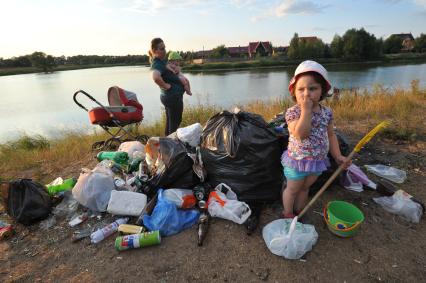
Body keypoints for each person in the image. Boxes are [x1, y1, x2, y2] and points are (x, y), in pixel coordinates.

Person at [281, 60, 351, 219]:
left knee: (305, 189)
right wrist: (306, 112)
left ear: (322, 91)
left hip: (318, 160)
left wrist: (338, 156)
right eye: (301, 89)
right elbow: (301, 134)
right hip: (298, 160)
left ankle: (299, 213)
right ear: (294, 92)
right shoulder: (293, 113)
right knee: (293, 189)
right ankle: (287, 213)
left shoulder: (327, 113)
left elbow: (331, 135)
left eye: (312, 88)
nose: (306, 94)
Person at [149, 38, 186, 136]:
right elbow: (155, 77)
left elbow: (171, 70)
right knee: (175, 122)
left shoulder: (161, 61)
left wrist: (177, 70)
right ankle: (171, 146)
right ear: (155, 50)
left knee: (171, 122)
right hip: (172, 97)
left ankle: (167, 143)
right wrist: (166, 86)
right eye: (162, 48)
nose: (164, 50)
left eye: (164, 47)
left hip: (169, 97)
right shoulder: (157, 63)